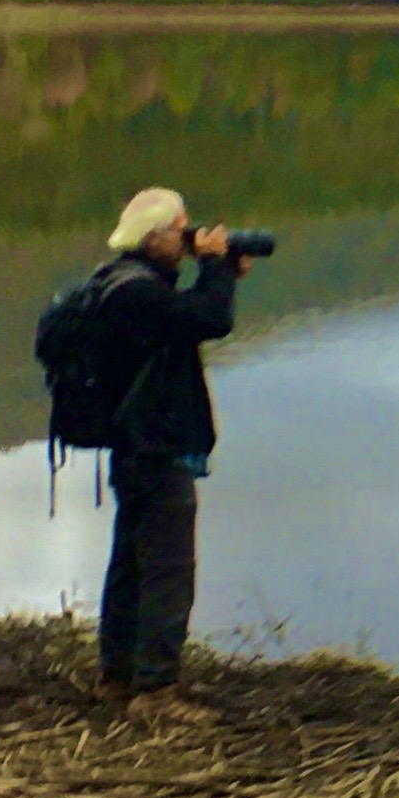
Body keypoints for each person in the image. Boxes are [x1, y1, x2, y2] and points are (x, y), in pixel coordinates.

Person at [91, 187, 253, 725]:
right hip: (154, 451)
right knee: (168, 569)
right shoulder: (138, 295)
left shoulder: (122, 283)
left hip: (135, 448)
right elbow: (209, 320)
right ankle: (155, 690)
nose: (187, 239)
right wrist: (215, 269)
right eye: (180, 231)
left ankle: (117, 675)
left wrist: (219, 274)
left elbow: (187, 314)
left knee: (132, 564)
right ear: (154, 236)